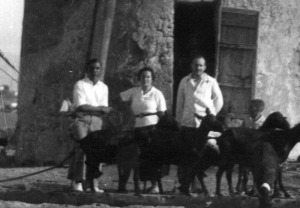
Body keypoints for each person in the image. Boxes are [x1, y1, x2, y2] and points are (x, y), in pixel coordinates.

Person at [175, 55, 223, 193]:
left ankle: (197, 185)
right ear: (192, 66)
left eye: (201, 65)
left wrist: (211, 116)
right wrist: (179, 120)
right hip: (188, 122)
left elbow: (218, 100)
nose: (198, 68)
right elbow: (180, 102)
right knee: (187, 153)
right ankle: (185, 184)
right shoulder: (185, 81)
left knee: (200, 154)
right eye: (196, 65)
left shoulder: (211, 81)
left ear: (205, 67)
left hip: (204, 124)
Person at [119, 67, 167, 193]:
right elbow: (118, 99)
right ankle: (123, 184)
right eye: (143, 77)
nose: (145, 79)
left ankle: (154, 184)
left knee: (150, 156)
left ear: (152, 79)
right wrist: (126, 111)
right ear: (139, 78)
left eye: (148, 77)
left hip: (151, 129)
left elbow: (162, 113)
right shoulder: (135, 91)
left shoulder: (157, 94)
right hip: (136, 128)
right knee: (130, 154)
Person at [67, 58, 112, 193]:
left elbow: (104, 108)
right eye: (92, 68)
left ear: (100, 70)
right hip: (81, 120)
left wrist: (97, 109)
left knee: (97, 152)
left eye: (97, 68)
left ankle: (93, 183)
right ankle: (78, 181)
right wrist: (99, 109)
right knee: (82, 148)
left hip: (97, 121)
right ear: (87, 70)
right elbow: (81, 106)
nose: (95, 71)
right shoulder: (80, 84)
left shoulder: (104, 87)